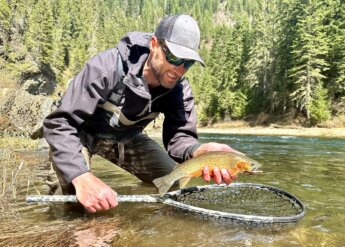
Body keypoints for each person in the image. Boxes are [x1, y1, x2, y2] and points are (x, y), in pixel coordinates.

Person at [43, 14, 240, 213]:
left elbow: (180, 139)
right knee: (70, 193)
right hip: (79, 134)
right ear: (154, 44)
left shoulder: (180, 90)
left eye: (187, 63)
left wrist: (198, 151)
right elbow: (59, 122)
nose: (179, 69)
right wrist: (80, 176)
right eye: (174, 57)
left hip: (125, 139)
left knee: (172, 181)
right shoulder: (107, 67)